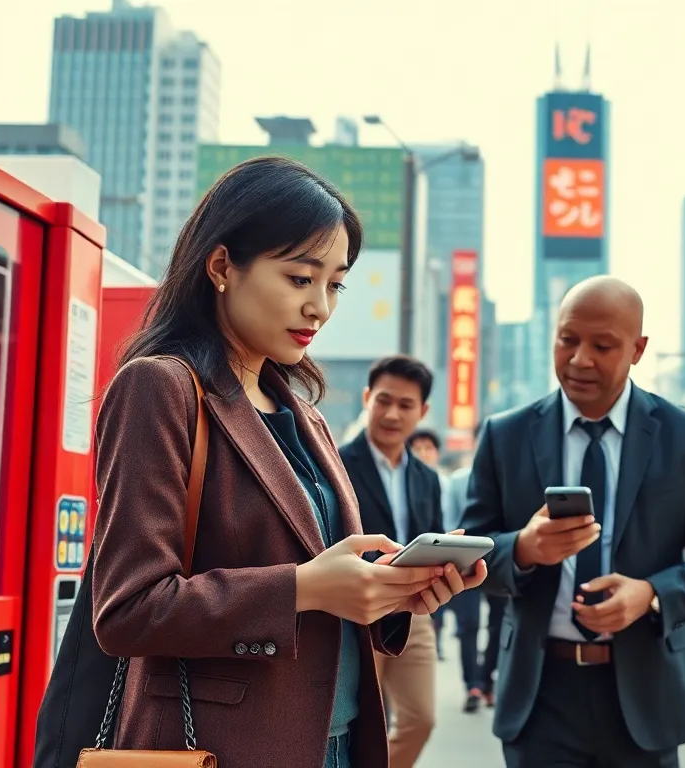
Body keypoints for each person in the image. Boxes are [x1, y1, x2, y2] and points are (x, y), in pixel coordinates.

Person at [90, 156, 486, 768]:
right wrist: (303, 588)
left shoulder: (304, 414)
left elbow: (328, 588)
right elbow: (127, 610)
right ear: (222, 266)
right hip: (223, 749)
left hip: (337, 741)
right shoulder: (160, 389)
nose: (321, 308)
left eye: (334, 283)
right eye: (301, 278)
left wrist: (393, 593)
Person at [461, 275, 685, 767]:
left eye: (602, 345)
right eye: (568, 340)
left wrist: (652, 595)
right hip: (540, 698)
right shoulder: (504, 436)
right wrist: (525, 548)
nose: (579, 359)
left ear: (638, 350)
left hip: (647, 699)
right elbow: (471, 549)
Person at [338, 356, 445, 768]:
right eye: (383, 400)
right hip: (357, 613)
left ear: (423, 411)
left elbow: (431, 533)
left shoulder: (427, 477)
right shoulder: (337, 463)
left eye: (406, 404)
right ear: (367, 398)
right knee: (362, 722)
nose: (392, 413)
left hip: (414, 611)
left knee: (421, 718)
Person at [441, 423, 495, 713]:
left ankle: (487, 679)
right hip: (464, 563)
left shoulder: (506, 480)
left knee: (499, 625)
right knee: (469, 625)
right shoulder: (458, 481)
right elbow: (449, 521)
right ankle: (472, 684)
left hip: (498, 562)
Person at [408, 428, 450, 661]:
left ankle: (438, 639)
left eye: (428, 448)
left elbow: (437, 524)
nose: (423, 453)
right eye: (418, 448)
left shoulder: (437, 480)